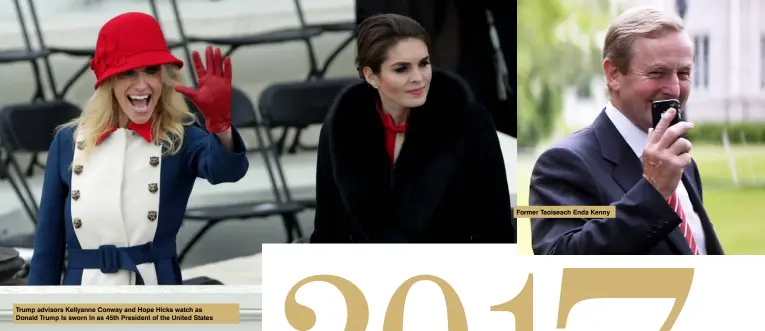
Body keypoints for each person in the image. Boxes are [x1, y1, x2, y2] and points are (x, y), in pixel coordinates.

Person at [27, 12, 250, 285]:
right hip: (81, 299)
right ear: (108, 81)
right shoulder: (68, 141)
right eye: (128, 73)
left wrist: (220, 125)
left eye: (152, 71)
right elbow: (47, 249)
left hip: (157, 296)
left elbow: (227, 170)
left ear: (164, 78)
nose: (142, 84)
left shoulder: (181, 139)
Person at [529, 7, 724, 255]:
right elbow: (558, 260)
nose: (674, 89)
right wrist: (653, 192)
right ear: (613, 75)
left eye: (683, 73)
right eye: (657, 73)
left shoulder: (683, 164)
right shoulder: (562, 163)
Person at [309, 13, 515, 243]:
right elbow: (328, 234)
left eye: (424, 64)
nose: (419, 78)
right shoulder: (341, 129)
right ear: (371, 76)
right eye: (401, 69)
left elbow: (496, 231)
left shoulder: (471, 123)